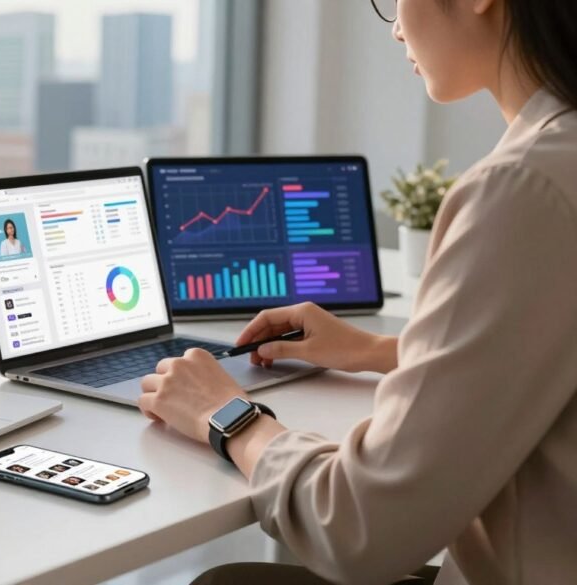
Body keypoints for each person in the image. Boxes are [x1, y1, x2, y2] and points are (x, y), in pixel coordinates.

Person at [138, 1, 577, 584]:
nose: (395, 26)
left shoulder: (523, 189)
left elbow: (361, 528)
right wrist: (378, 351)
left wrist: (226, 415)